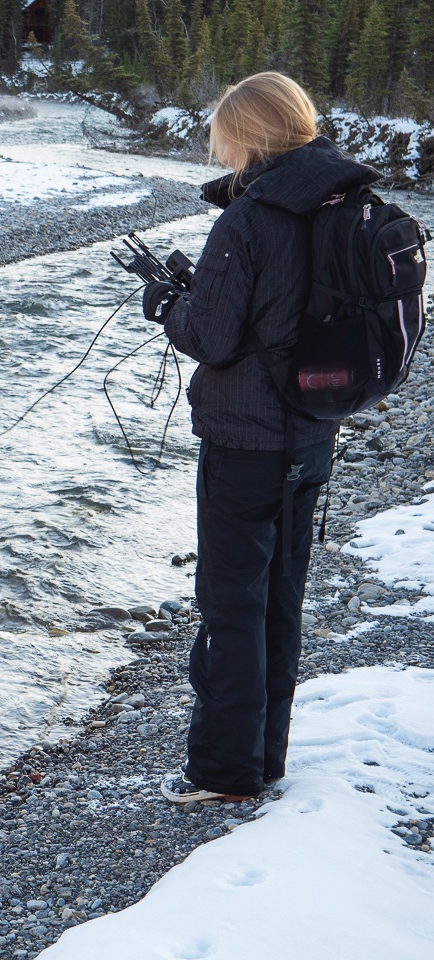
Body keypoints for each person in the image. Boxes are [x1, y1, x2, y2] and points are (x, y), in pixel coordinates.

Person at [141, 72, 379, 804]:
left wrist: (166, 306)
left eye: (224, 133)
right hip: (312, 431)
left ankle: (223, 773)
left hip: (246, 439)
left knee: (231, 605)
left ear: (247, 134)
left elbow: (212, 337)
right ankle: (264, 758)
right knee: (280, 596)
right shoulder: (343, 202)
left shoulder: (246, 221)